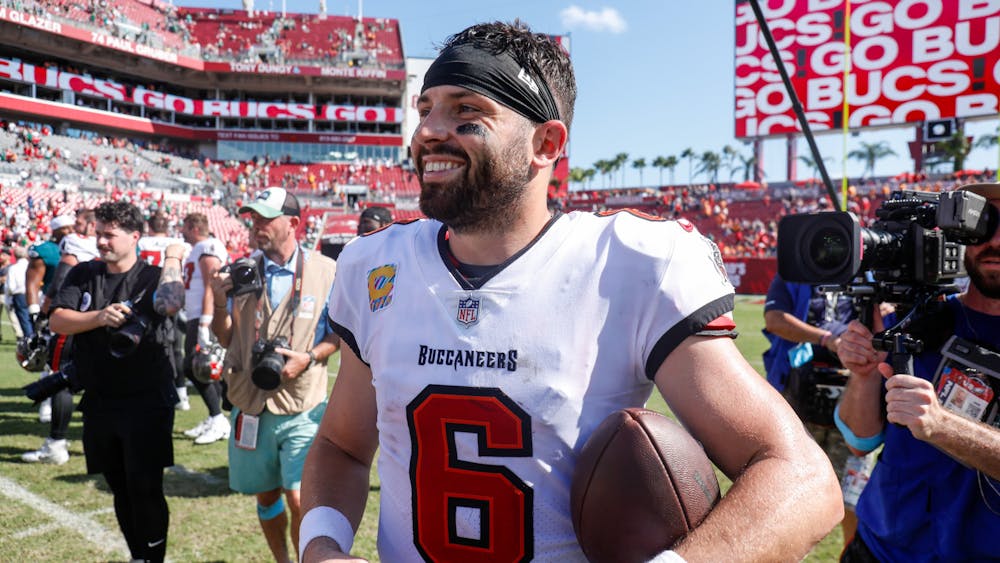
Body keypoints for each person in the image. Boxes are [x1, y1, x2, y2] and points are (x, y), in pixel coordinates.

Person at [299, 21, 842, 563]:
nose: (429, 132)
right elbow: (341, 447)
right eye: (426, 110)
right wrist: (322, 549)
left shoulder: (628, 264)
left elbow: (803, 479)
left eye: (467, 112)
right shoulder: (376, 263)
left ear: (545, 143)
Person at [836, 181, 1000, 562]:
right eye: (983, 223)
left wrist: (944, 426)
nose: (995, 240)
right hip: (878, 548)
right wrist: (862, 375)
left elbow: (936, 425)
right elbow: (859, 441)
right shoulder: (919, 321)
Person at [48, 201, 186, 563]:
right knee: (119, 486)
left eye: (110, 234)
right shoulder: (84, 274)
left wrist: (173, 257)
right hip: (100, 398)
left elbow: (171, 305)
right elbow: (57, 321)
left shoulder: (153, 276)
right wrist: (98, 317)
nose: (102, 241)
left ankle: (152, 558)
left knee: (145, 486)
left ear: (135, 236)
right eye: (99, 233)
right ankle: (137, 554)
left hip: (147, 399)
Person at [209, 187, 339, 563]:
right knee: (266, 495)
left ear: (293, 224)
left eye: (266, 219)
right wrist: (219, 300)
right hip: (250, 402)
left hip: (302, 401)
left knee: (299, 496)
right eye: (253, 219)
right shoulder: (241, 270)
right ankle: (282, 559)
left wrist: (310, 356)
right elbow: (226, 335)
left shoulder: (326, 271)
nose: (257, 226)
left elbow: (340, 335)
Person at [762, 273, 877, 548]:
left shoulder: (872, 272)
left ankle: (852, 555)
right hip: (800, 396)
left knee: (854, 497)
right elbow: (774, 319)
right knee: (791, 494)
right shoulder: (795, 270)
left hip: (856, 400)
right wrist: (827, 339)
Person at [175, 212, 230, 442]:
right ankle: (215, 417)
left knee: (196, 367)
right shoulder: (197, 249)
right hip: (194, 315)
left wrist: (206, 322)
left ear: (195, 228)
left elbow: (212, 284)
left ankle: (219, 418)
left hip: (202, 316)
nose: (182, 231)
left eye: (186, 227)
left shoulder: (208, 246)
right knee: (197, 368)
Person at [25, 214, 74, 426]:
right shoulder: (45, 250)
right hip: (55, 307)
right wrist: (36, 311)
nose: (70, 230)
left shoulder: (88, 244)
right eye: (65, 227)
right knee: (52, 357)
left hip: (84, 307)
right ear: (55, 230)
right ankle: (47, 401)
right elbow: (33, 282)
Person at [138, 212, 190, 410]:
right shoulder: (179, 244)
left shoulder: (142, 243)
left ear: (149, 227)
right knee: (175, 347)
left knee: (148, 347)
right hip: (172, 296)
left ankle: (154, 391)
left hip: (146, 298)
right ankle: (181, 392)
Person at [5, 245, 32, 338]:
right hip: (31, 294)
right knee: (32, 317)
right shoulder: (30, 266)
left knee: (24, 319)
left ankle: (29, 339)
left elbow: (11, 287)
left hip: (19, 295)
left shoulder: (13, 268)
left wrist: (8, 297)